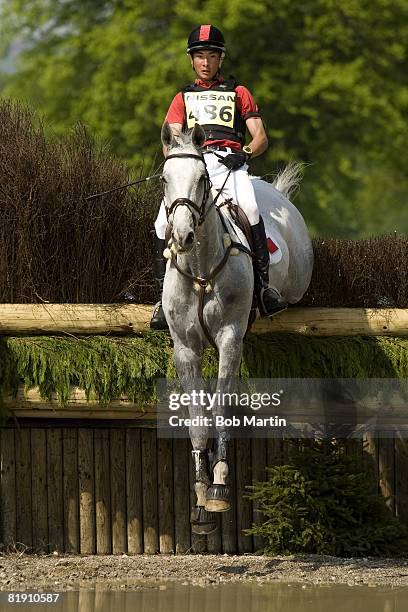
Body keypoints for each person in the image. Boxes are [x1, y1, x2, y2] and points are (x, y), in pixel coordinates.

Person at [150, 24, 288, 330]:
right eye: (200, 56)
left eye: (211, 56)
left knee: (250, 210)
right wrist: (180, 162)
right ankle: (161, 298)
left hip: (230, 163)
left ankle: (264, 288)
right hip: (194, 165)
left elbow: (261, 136)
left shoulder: (238, 93)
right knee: (162, 222)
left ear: (220, 59)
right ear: (192, 60)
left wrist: (247, 153)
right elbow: (170, 140)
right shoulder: (181, 98)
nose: (205, 62)